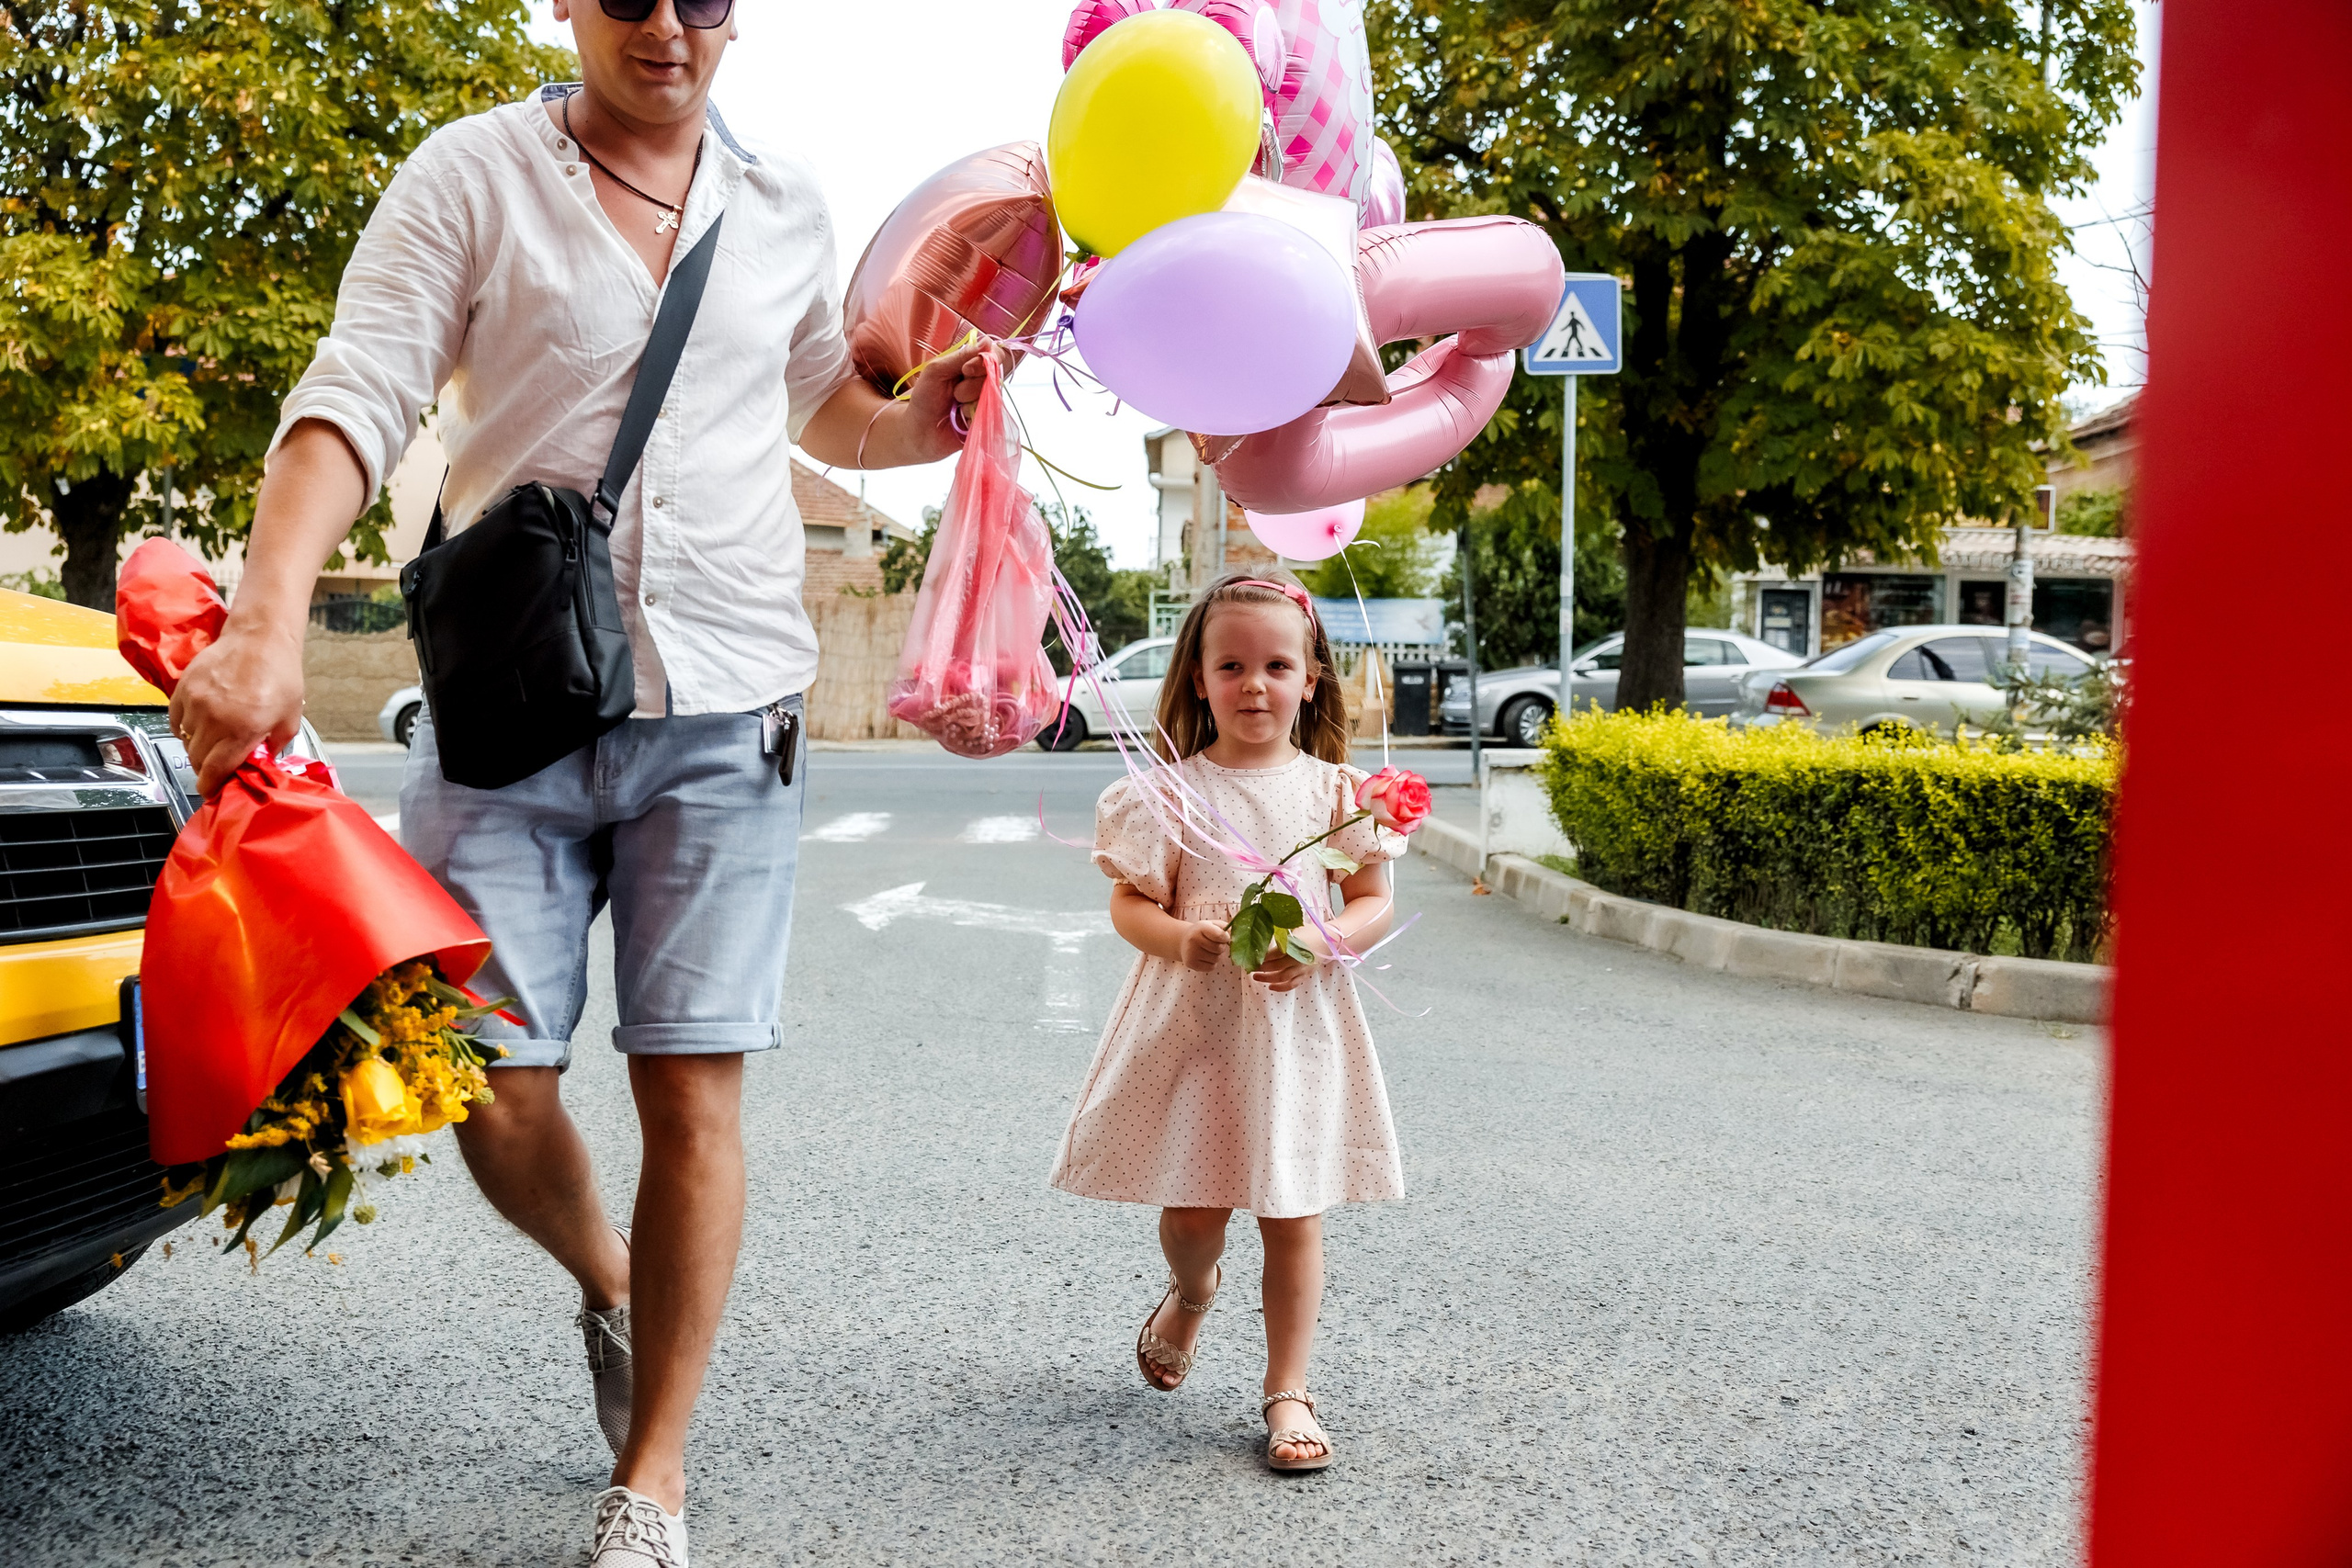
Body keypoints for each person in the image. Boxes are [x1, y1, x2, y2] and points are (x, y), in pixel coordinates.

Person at [166, 2, 985, 1562]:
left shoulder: (787, 203)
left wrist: (920, 421)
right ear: (567, 4)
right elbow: (357, 393)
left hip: (730, 698)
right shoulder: (472, 176)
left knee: (693, 1082)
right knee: (485, 1070)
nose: (666, 23)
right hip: (513, 695)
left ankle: (652, 1478)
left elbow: (822, 402)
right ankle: (610, 1281)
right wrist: (266, 618)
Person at [1048, 574, 1408, 1472]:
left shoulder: (1337, 794)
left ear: (1311, 679)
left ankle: (1287, 1387)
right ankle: (1191, 1286)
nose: (1255, 683)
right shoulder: (1167, 793)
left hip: (1297, 1028)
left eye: (1276, 665)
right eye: (1232, 665)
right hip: (1197, 1020)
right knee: (1196, 1205)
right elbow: (1129, 905)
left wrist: (1325, 940)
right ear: (1199, 679)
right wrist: (1177, 937)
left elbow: (1371, 897)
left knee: (1293, 1211)